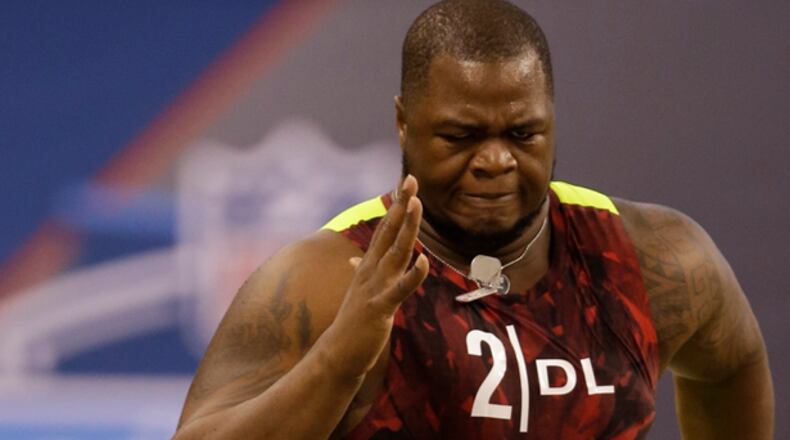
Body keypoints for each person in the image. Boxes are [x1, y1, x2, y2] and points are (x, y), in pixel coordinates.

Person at [173, 1, 774, 438]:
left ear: (552, 120)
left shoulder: (651, 259)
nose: (495, 161)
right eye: (460, 136)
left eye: (523, 134)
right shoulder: (326, 277)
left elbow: (733, 364)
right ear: (404, 123)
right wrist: (339, 359)